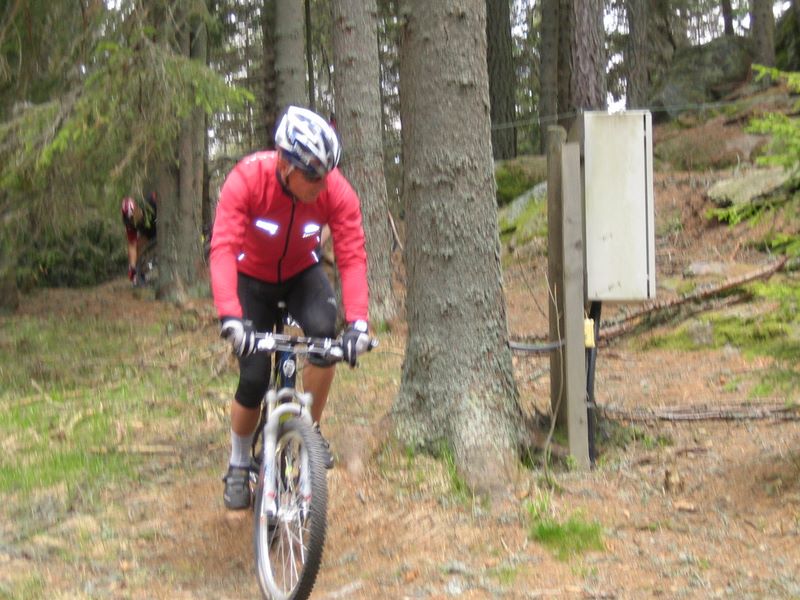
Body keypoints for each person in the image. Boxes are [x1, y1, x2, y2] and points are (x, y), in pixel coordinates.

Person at [210, 105, 371, 510]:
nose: (322, 185)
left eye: (327, 175)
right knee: (253, 377)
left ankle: (308, 435)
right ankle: (239, 462)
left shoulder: (336, 191)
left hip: (302, 274)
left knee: (325, 337)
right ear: (285, 165)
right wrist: (231, 315)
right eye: (313, 177)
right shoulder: (247, 179)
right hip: (251, 279)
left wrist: (358, 322)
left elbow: (352, 255)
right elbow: (223, 248)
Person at [121, 192, 157, 285]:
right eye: (129, 219)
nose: (132, 221)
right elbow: (132, 244)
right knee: (138, 246)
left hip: (162, 224)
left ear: (137, 208)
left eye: (132, 217)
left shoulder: (151, 202)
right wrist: (132, 267)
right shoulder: (129, 223)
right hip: (149, 232)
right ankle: (142, 270)